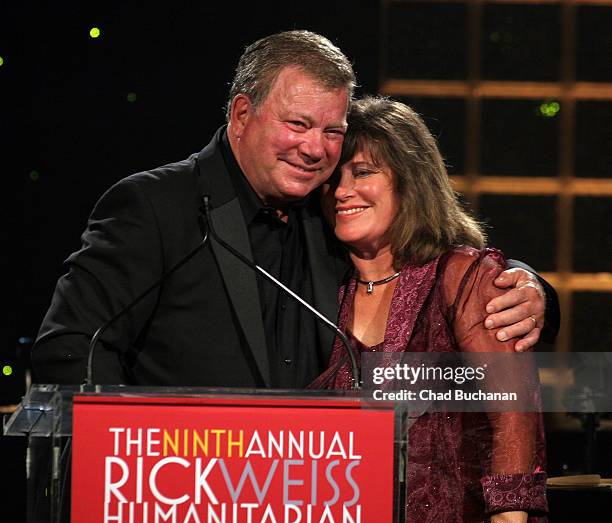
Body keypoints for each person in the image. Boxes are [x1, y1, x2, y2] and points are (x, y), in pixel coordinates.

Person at [31, 30, 556, 389]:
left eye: (332, 131)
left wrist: (529, 287)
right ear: (242, 114)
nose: (315, 149)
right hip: (175, 507)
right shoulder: (154, 206)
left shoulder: (330, 212)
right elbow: (71, 349)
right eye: (298, 125)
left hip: (305, 519)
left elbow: (435, 262)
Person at [315, 96, 552, 523]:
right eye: (333, 178)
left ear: (410, 178)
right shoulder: (321, 285)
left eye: (362, 173)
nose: (342, 191)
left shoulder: (463, 275)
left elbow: (514, 415)